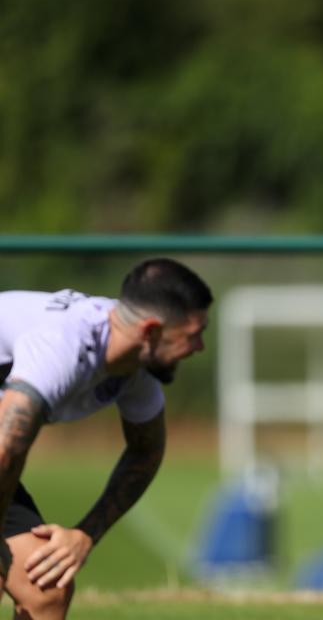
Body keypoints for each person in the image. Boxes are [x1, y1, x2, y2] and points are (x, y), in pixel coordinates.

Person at [0, 258, 212, 618]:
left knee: (47, 590)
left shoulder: (134, 366)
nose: (200, 346)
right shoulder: (61, 346)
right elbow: (8, 445)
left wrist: (86, 534)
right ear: (150, 331)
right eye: (192, 334)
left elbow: (145, 452)